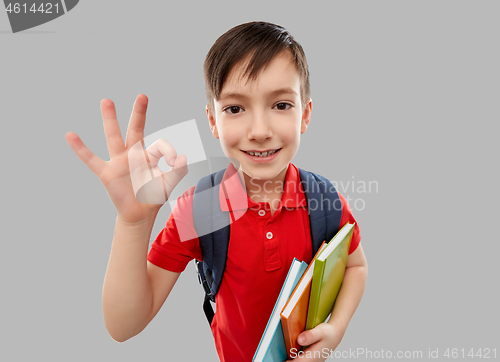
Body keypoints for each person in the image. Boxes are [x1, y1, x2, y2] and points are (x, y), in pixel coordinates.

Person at [65, 21, 368, 362]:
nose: (259, 130)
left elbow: (356, 267)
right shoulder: (202, 209)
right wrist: (132, 223)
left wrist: (336, 330)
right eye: (235, 109)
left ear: (305, 114)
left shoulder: (322, 198)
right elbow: (123, 326)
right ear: (212, 121)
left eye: (281, 105)